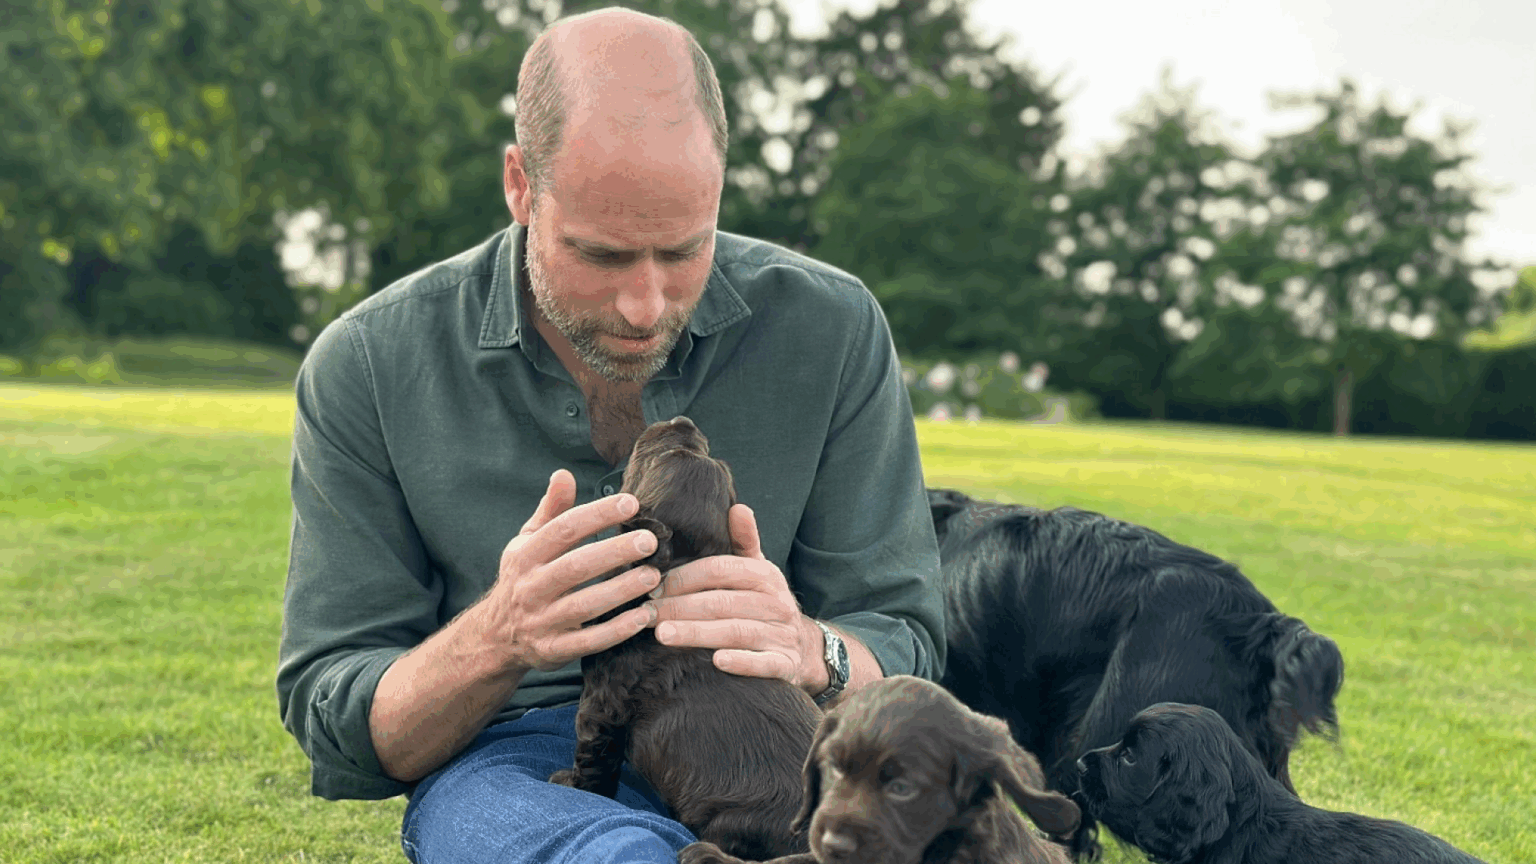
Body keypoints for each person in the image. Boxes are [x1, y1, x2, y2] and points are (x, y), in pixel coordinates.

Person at [276, 7, 944, 864]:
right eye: (600, 256)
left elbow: (908, 637)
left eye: (682, 250)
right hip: (531, 764)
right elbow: (338, 714)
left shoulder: (833, 327)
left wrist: (814, 649)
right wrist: (501, 633)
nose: (646, 306)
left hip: (783, 753)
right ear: (520, 184)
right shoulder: (368, 364)